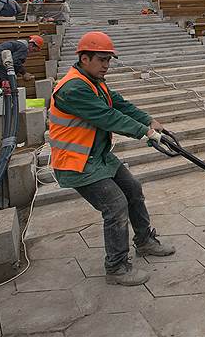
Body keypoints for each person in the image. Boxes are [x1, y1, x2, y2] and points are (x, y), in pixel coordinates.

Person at [49, 31, 175, 286]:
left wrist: (148, 119)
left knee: (133, 190)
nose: (106, 66)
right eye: (101, 60)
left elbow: (120, 105)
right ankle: (116, 267)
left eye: (109, 60)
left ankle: (144, 241)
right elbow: (108, 117)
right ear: (84, 58)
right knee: (116, 205)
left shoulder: (95, 81)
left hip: (98, 157)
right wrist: (145, 132)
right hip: (77, 163)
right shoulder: (73, 88)